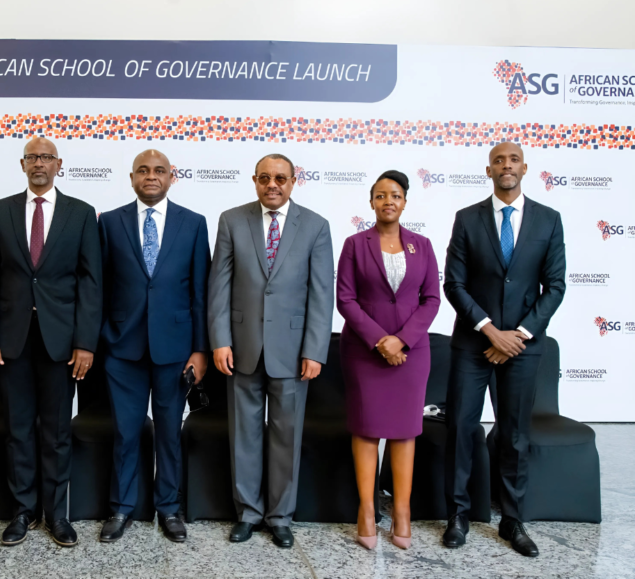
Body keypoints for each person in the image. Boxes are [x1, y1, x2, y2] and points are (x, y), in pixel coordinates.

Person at [0, 137, 101, 547]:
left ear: (58, 164)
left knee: (57, 432)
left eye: (46, 157)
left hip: (61, 343)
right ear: (22, 164)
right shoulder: (0, 211)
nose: (39, 164)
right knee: (17, 430)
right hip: (10, 341)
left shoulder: (81, 214)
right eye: (33, 157)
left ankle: (56, 514)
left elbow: (90, 283)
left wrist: (85, 343)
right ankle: (22, 512)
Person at [443, 142, 566, 557]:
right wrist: (491, 331)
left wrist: (519, 335)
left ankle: (512, 520)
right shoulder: (467, 219)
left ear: (525, 168)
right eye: (499, 160)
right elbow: (454, 284)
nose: (506, 166)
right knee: (461, 429)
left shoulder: (549, 220)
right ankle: (457, 515)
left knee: (514, 435)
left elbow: (555, 287)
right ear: (488, 169)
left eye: (513, 160)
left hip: (524, 347)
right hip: (473, 343)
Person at [208, 153, 334, 548]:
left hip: (294, 352)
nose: (272, 185)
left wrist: (315, 350)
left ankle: (280, 516)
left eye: (280, 178)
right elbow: (219, 286)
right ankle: (247, 512)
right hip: (242, 347)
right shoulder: (232, 220)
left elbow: (321, 294)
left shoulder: (315, 226)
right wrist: (220, 340)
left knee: (286, 436)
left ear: (294, 181)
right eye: (265, 178)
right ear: (255, 181)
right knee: (244, 434)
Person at [96, 150, 210, 543]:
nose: (151, 176)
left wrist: (200, 349)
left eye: (159, 170)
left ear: (171, 177)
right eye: (143, 170)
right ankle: (122, 508)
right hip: (122, 348)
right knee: (126, 433)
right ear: (131, 178)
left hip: (175, 350)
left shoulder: (193, 224)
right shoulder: (109, 223)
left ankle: (169, 508)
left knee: (169, 433)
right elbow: (101, 287)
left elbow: (200, 291)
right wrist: (98, 341)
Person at [336, 170, 441, 550]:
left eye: (395, 195)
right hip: (365, 352)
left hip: (412, 355)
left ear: (405, 202)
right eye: (380, 196)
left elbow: (432, 299)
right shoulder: (354, 244)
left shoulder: (423, 245)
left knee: (405, 431)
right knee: (366, 429)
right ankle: (366, 510)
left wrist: (402, 341)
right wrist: (381, 340)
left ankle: (401, 512)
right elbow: (345, 299)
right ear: (371, 202)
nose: (388, 202)